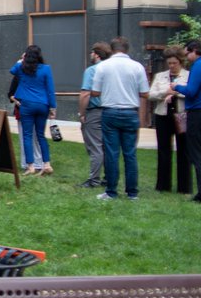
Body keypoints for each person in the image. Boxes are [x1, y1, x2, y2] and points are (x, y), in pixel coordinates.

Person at [89, 37, 149, 200]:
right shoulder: (137, 67)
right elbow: (144, 93)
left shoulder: (102, 66)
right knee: (130, 153)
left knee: (111, 152)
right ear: (127, 49)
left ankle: (111, 191)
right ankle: (132, 192)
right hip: (130, 112)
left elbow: (94, 92)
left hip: (110, 111)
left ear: (112, 49)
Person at [167, 40, 201, 203]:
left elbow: (192, 91)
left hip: (199, 113)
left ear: (195, 50)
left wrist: (176, 87)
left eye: (188, 53)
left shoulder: (199, 65)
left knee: (198, 153)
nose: (187, 57)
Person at [148, 46, 190, 194]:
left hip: (181, 115)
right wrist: (164, 92)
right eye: (169, 63)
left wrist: (177, 92)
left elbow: (192, 93)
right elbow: (151, 95)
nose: (172, 66)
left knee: (184, 150)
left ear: (181, 62)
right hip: (163, 116)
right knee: (163, 150)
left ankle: (184, 187)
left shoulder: (189, 75)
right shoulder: (160, 76)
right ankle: (163, 185)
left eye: (174, 63)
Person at [9, 45, 57, 176]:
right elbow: (50, 90)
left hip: (27, 105)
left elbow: (12, 70)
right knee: (41, 135)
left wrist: (20, 60)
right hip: (43, 104)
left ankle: (30, 166)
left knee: (27, 135)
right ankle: (46, 164)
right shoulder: (46, 69)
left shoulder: (21, 68)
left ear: (26, 56)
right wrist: (53, 107)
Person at [77, 42, 112, 188]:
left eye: (92, 53)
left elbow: (85, 93)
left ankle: (94, 180)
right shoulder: (112, 69)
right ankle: (109, 177)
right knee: (107, 147)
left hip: (95, 111)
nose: (90, 55)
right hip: (111, 111)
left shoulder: (91, 70)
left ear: (97, 54)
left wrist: (82, 113)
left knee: (95, 147)